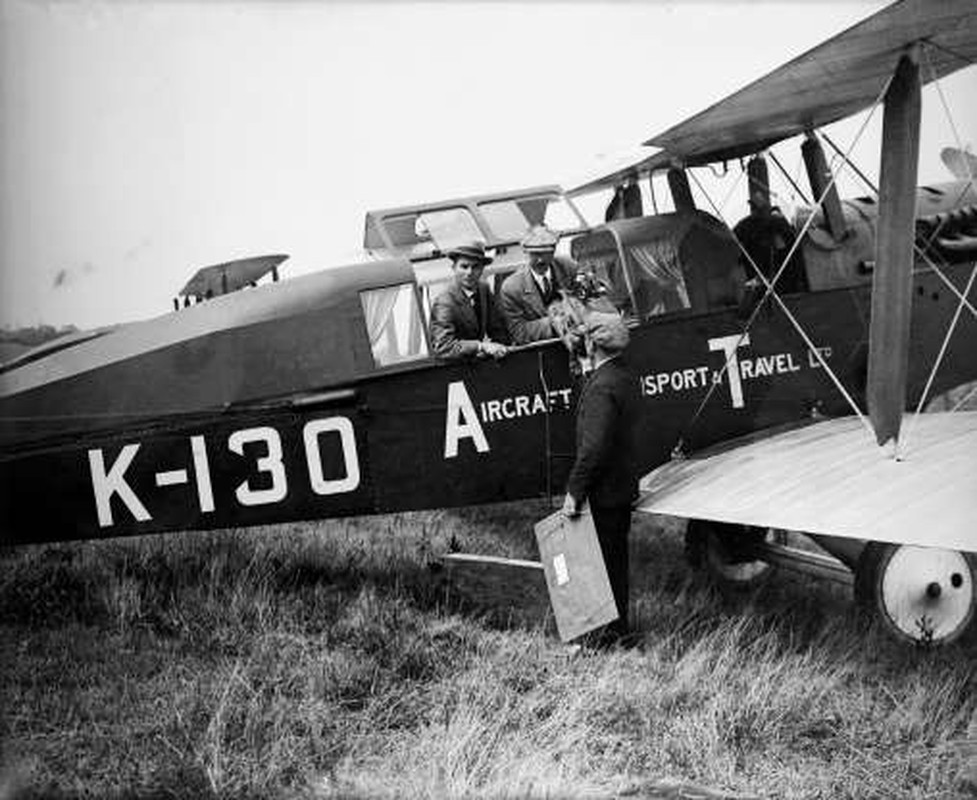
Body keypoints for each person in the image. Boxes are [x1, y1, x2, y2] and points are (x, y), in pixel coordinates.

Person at [562, 311, 639, 645]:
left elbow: (593, 449)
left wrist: (574, 492)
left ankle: (608, 636)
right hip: (621, 489)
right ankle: (617, 630)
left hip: (603, 493)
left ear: (594, 342)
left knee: (601, 565)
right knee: (615, 563)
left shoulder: (601, 388)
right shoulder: (623, 377)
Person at [430, 241, 510, 360]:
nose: (469, 273)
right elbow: (443, 347)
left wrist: (500, 348)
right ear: (454, 268)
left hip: (477, 364)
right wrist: (480, 346)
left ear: (482, 269)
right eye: (464, 267)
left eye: (475, 267)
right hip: (453, 369)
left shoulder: (483, 289)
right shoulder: (445, 302)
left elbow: (498, 328)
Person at [499, 225, 576, 345]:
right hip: (541, 352)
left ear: (554, 251)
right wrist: (558, 321)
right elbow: (519, 332)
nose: (540, 260)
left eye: (545, 254)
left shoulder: (569, 267)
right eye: (535, 254)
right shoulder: (511, 287)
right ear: (525, 252)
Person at [733, 189, 808, 296]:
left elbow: (789, 244)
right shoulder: (748, 224)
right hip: (769, 272)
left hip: (768, 271)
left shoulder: (747, 224)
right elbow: (792, 244)